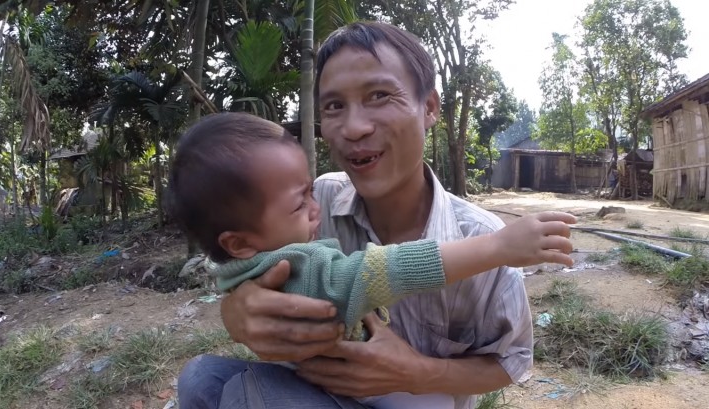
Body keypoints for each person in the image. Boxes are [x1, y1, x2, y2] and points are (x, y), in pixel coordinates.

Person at [179, 21, 550, 409]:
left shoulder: (481, 236)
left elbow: (512, 361)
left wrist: (417, 373)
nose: (354, 128)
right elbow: (247, 267)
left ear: (429, 108)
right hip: (318, 391)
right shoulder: (317, 201)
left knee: (249, 396)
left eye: (379, 95)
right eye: (335, 106)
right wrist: (236, 313)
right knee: (200, 376)